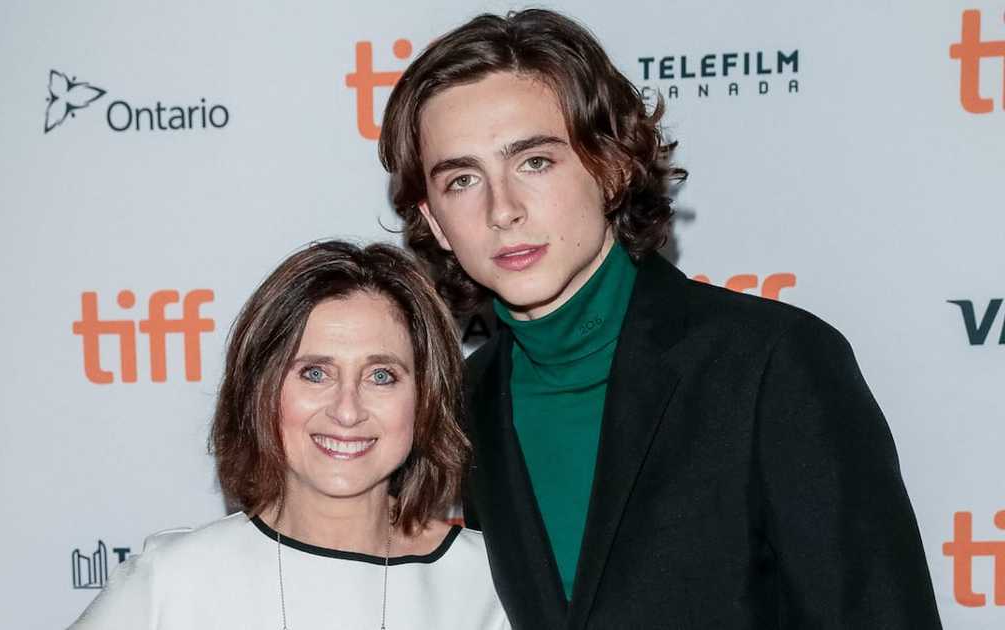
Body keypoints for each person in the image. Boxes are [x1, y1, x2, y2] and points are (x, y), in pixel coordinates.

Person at [378, 9, 942, 629]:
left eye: (534, 162)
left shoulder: (771, 363)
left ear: (613, 166)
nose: (502, 208)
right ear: (434, 222)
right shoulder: (462, 405)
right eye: (462, 179)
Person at [68, 241, 510, 629]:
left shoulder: (492, 583)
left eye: (381, 375)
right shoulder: (173, 582)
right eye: (315, 373)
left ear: (425, 398)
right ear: (263, 388)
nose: (347, 409)